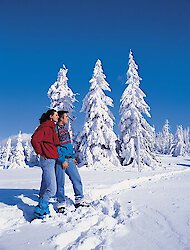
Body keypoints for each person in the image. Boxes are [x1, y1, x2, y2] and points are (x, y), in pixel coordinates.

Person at [55, 110, 89, 213]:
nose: (67, 119)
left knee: (76, 179)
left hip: (69, 159)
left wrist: (73, 156)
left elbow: (68, 145)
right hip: (61, 160)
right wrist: (62, 159)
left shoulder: (65, 130)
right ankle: (61, 204)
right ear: (61, 118)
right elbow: (55, 147)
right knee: (60, 182)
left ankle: (79, 200)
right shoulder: (55, 130)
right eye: (65, 117)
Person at [31, 109, 60, 219]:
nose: (58, 116)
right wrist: (40, 152)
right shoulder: (45, 127)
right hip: (47, 159)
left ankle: (43, 207)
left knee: (45, 185)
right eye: (56, 115)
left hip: (51, 159)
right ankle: (40, 209)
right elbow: (34, 140)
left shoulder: (51, 127)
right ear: (51, 116)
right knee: (52, 188)